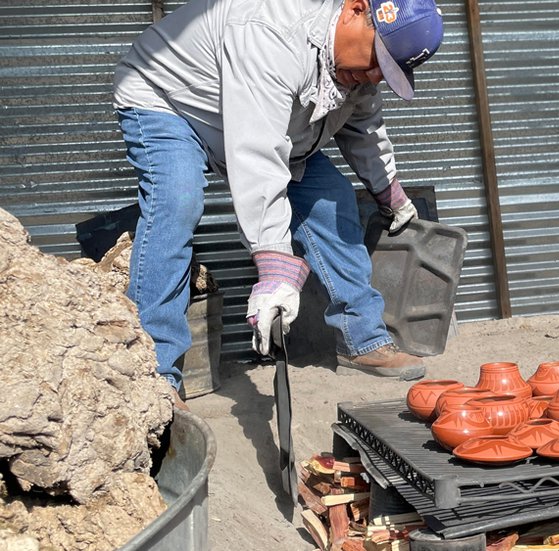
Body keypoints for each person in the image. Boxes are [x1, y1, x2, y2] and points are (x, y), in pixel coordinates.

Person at [113, 0, 443, 393]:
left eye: (386, 71)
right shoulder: (271, 35)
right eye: (377, 58)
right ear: (355, 9)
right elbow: (257, 156)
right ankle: (155, 374)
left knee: (331, 197)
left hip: (260, 117)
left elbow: (365, 129)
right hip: (170, 99)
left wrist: (390, 192)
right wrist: (273, 266)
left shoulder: (356, 67)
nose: (374, 74)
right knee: (177, 203)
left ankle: (363, 338)